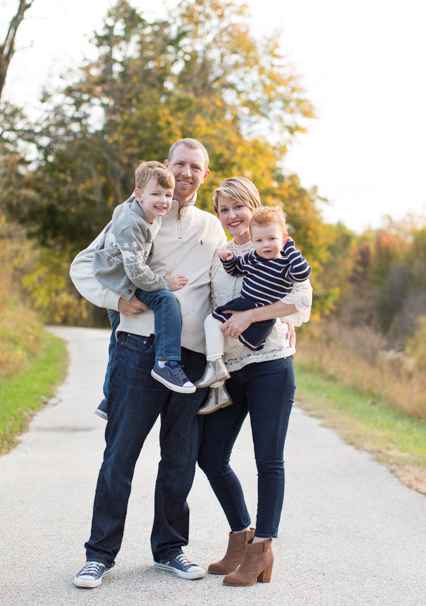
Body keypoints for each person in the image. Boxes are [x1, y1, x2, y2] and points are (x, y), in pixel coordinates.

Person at [70, 138, 227, 588]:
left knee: (179, 459)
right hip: (138, 351)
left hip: (191, 359)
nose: (186, 173)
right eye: (179, 164)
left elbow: (226, 288)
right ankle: (99, 554)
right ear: (166, 166)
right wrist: (119, 300)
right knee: (120, 455)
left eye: (195, 167)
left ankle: (170, 549)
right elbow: (84, 265)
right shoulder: (135, 214)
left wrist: (283, 320)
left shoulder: (211, 227)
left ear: (204, 175)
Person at [197, 177, 312, 587]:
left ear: (254, 206)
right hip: (230, 370)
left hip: (269, 365)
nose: (231, 217)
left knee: (268, 460)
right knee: (210, 456)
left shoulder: (276, 245)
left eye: (237, 208)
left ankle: (262, 548)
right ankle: (241, 536)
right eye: (223, 210)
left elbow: (302, 300)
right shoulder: (220, 253)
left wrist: (254, 315)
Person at [93, 160, 195, 398]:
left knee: (116, 346)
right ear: (138, 195)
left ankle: (109, 399)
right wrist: (165, 283)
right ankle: (166, 363)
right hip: (120, 281)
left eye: (168, 195)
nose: (163, 201)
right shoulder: (130, 224)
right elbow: (136, 272)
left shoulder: (144, 212)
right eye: (156, 194)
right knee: (166, 301)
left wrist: (152, 168)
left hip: (119, 278)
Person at [195, 205, 311, 395]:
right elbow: (236, 270)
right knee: (212, 323)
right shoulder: (253, 257)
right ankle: (216, 370)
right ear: (253, 239)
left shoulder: (285, 262)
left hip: (260, 319)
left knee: (223, 329)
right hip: (243, 304)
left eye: (272, 239)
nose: (265, 245)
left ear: (283, 237)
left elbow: (301, 274)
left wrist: (289, 246)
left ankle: (216, 373)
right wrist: (228, 260)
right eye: (259, 240)